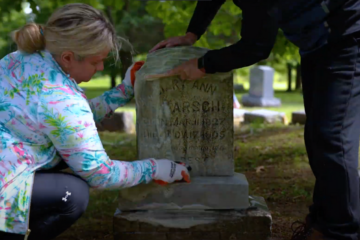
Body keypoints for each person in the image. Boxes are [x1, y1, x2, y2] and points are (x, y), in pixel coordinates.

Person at [150, 0, 360, 240]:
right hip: (317, 43)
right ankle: (324, 225)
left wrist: (203, 64)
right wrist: (192, 33)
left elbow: (257, 46)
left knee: (332, 138)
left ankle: (342, 233)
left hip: (347, 35)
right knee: (317, 138)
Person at [0, 3, 191, 240]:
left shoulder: (21, 59)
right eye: (95, 62)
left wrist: (123, 91)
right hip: (4, 182)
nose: (100, 67)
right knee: (74, 194)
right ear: (68, 57)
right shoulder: (62, 100)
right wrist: (156, 168)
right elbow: (100, 174)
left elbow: (64, 123)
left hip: (9, 156)